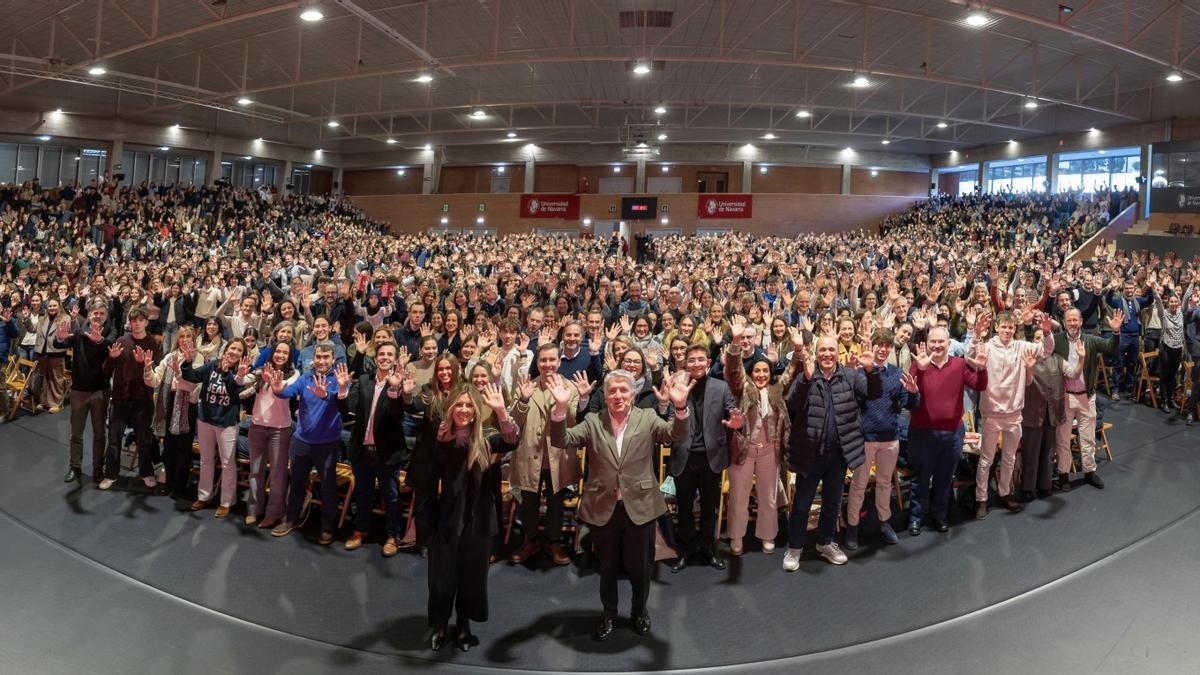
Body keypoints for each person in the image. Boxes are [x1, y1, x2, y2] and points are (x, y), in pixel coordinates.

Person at [548, 369, 692, 641]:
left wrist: (681, 406)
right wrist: (558, 407)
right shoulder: (592, 421)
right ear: (604, 394)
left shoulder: (647, 417)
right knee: (607, 568)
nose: (617, 395)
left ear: (633, 394)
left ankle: (639, 611)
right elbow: (561, 440)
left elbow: (676, 434)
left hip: (641, 506)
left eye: (623, 390)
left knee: (641, 569)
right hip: (604, 507)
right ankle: (608, 613)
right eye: (612, 390)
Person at [407, 383, 518, 652]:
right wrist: (424, 528)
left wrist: (502, 412)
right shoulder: (438, 439)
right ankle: (441, 623)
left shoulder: (487, 438)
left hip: (478, 521)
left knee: (472, 576)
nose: (464, 410)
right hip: (445, 520)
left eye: (469, 405)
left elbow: (512, 440)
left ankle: (464, 622)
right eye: (459, 404)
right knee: (442, 577)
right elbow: (424, 486)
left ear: (477, 410)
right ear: (450, 407)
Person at [782, 336, 880, 570]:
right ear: (816, 353)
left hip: (839, 454)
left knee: (832, 502)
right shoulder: (806, 374)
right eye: (822, 350)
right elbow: (792, 404)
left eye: (831, 350)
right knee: (802, 504)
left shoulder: (850, 375)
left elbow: (874, 394)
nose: (827, 354)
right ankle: (795, 547)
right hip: (810, 453)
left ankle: (825, 542)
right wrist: (805, 379)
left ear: (838, 353)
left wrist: (870, 370)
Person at [508, 343, 589, 566]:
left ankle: (554, 543)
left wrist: (579, 401)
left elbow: (575, 422)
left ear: (559, 361)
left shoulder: (570, 388)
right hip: (529, 454)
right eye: (543, 360)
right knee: (529, 502)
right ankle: (530, 540)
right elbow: (513, 423)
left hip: (558, 457)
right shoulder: (525, 386)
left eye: (552, 360)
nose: (547, 364)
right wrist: (523, 400)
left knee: (556, 502)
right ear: (538, 362)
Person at [264, 343, 352, 545]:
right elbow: (287, 392)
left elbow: (344, 405)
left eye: (326, 357)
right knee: (297, 483)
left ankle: (327, 527)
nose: (321, 361)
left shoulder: (341, 379)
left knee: (329, 487)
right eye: (318, 357)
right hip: (301, 441)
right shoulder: (305, 378)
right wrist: (277, 390)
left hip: (327, 444)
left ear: (333, 359)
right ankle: (291, 519)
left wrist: (331, 393)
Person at [666, 343, 743, 573]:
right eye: (692, 360)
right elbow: (670, 419)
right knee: (684, 507)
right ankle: (686, 550)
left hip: (713, 457)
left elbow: (732, 411)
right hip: (683, 456)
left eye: (701, 359)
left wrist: (736, 422)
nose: (696, 363)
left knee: (710, 508)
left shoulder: (721, 387)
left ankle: (709, 549)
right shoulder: (676, 386)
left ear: (709, 363)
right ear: (685, 363)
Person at [906, 326, 989, 535]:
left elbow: (979, 385)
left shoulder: (960, 364)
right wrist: (921, 369)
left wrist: (982, 367)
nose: (937, 346)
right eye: (933, 341)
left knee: (944, 478)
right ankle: (916, 517)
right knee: (920, 478)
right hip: (923, 433)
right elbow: (910, 399)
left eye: (941, 342)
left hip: (952, 433)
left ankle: (940, 515)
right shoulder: (918, 365)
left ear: (949, 344)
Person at [973, 311, 1054, 518]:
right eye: (1004, 327)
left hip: (1014, 413)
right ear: (997, 328)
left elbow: (1045, 350)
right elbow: (971, 357)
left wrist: (1046, 333)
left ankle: (1004, 492)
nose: (1008, 331)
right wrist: (976, 335)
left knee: (1009, 458)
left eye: (1011, 327)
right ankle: (981, 498)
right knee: (986, 459)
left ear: (1014, 329)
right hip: (991, 413)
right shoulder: (988, 347)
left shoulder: (1020, 346)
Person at [846, 328, 920, 549]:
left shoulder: (898, 374)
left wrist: (914, 392)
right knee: (858, 485)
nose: (883, 349)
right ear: (873, 346)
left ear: (890, 349)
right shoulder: (859, 371)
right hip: (865, 438)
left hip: (890, 437)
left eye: (887, 346)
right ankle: (852, 526)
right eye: (879, 344)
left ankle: (884, 522)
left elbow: (910, 405)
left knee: (885, 483)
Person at [723, 319, 791, 555]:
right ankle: (737, 537)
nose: (761, 374)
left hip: (769, 452)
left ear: (770, 374)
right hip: (744, 450)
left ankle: (767, 535)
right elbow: (733, 368)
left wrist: (800, 349)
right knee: (739, 499)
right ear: (751, 374)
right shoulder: (742, 387)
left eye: (765, 371)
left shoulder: (776, 390)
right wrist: (735, 342)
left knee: (768, 498)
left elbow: (793, 372)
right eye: (757, 371)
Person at [343, 342, 411, 555]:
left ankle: (393, 536)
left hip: (388, 451)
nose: (385, 357)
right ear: (375, 357)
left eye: (390, 354)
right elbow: (348, 409)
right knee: (362, 492)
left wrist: (393, 389)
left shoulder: (401, 383)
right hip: (362, 449)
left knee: (390, 495)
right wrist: (343, 389)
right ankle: (360, 530)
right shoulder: (364, 380)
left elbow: (395, 414)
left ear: (395, 359)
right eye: (382, 354)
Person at [181, 338, 252, 517]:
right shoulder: (212, 365)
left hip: (226, 423)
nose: (234, 352)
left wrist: (230, 372)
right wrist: (188, 362)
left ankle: (227, 501)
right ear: (226, 349)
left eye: (239, 350)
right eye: (232, 348)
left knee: (227, 463)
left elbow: (234, 389)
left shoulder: (242, 372)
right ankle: (204, 496)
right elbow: (191, 376)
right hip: (205, 419)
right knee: (206, 460)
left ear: (243, 356)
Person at [1053, 308, 1122, 490]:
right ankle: (1063, 474)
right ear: (1064, 323)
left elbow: (1110, 347)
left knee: (1088, 438)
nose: (1073, 324)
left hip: (1086, 397)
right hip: (1066, 398)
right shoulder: (1058, 340)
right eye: (1069, 321)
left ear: (1081, 321)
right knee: (1063, 439)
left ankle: (1090, 472)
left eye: (1076, 320)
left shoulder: (1090, 340)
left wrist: (1115, 332)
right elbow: (1042, 347)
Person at [54, 298, 116, 483]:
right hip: (79, 391)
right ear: (89, 314)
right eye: (95, 313)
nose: (97, 316)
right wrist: (60, 337)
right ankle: (75, 467)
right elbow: (61, 345)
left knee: (99, 434)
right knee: (76, 434)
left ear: (106, 316)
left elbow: (112, 345)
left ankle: (98, 467)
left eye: (101, 313)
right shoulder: (80, 332)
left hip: (100, 391)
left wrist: (101, 340)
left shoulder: (111, 331)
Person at [101, 307, 163, 491]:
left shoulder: (153, 343)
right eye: (133, 320)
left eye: (140, 320)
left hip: (142, 399)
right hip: (120, 397)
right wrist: (112, 359)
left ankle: (146, 472)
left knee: (144, 439)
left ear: (146, 322)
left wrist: (144, 365)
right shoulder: (121, 340)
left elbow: (157, 374)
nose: (136, 323)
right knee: (114, 438)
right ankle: (111, 474)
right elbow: (106, 371)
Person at [241, 341, 298, 528]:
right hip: (257, 426)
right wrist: (242, 374)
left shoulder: (293, 374)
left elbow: (285, 391)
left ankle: (274, 513)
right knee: (255, 471)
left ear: (289, 356)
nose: (280, 355)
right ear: (272, 353)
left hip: (279, 430)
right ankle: (253, 510)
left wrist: (274, 383)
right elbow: (242, 382)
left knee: (277, 474)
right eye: (277, 351)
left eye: (284, 352)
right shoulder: (261, 371)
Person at [145, 326, 202, 501]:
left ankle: (179, 486)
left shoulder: (198, 358)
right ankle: (168, 483)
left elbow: (193, 385)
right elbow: (154, 380)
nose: (185, 339)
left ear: (193, 339)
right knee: (169, 449)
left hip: (187, 409)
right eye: (182, 336)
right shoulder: (170, 357)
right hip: (169, 406)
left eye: (188, 336)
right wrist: (147, 368)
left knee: (183, 451)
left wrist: (181, 376)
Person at [1019, 326, 1069, 501]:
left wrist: (1082, 359)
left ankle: (1045, 485)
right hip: (1032, 412)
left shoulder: (1057, 359)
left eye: (1044, 337)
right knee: (1031, 453)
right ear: (1033, 341)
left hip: (1052, 413)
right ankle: (1027, 488)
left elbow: (1075, 373)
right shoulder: (1026, 360)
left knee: (1048, 452)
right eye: (1037, 337)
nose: (1041, 341)